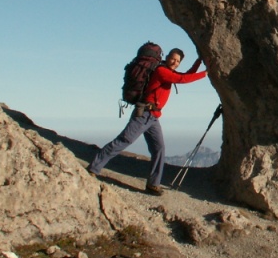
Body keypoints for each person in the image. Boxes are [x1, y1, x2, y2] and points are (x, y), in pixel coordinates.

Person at [88, 48, 207, 195]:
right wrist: (206, 73)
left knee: (159, 149)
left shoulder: (168, 72)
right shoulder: (161, 71)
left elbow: (185, 75)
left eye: (178, 61)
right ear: (167, 57)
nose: (175, 62)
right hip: (144, 115)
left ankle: (153, 184)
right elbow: (182, 79)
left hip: (153, 118)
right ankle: (93, 168)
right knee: (124, 140)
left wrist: (198, 61)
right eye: (173, 59)